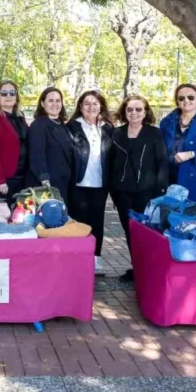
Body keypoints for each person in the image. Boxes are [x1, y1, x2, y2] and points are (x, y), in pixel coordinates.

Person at [110, 95, 168, 282]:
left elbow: (162, 161)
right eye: (129, 109)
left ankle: (147, 270)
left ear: (145, 112)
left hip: (147, 191)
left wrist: (160, 190)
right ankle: (136, 268)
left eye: (138, 109)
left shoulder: (154, 133)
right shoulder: (116, 133)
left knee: (146, 232)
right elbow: (111, 162)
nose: (133, 113)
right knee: (129, 231)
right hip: (122, 192)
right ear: (124, 112)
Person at [68, 90, 113, 276]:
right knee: (78, 224)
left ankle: (95, 259)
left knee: (97, 223)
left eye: (95, 103)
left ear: (101, 106)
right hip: (78, 184)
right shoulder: (71, 127)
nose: (91, 107)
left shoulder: (108, 128)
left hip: (100, 185)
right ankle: (77, 260)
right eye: (87, 103)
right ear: (80, 107)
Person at [159, 84, 196, 202]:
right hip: (168, 180)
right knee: (167, 219)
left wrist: (192, 154)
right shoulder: (166, 123)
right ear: (177, 102)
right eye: (181, 98)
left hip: (195, 182)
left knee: (192, 220)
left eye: (190, 97)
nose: (186, 100)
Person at [0, 80, 29, 201]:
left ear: (16, 98)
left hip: (22, 177)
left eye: (12, 93)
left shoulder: (20, 117)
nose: (8, 96)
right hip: (4, 180)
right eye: (4, 93)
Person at [28, 87, 74, 199]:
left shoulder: (63, 126)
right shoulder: (38, 125)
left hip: (64, 182)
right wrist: (44, 178)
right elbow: (37, 154)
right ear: (42, 103)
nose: (55, 104)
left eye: (58, 100)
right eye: (50, 100)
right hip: (47, 184)